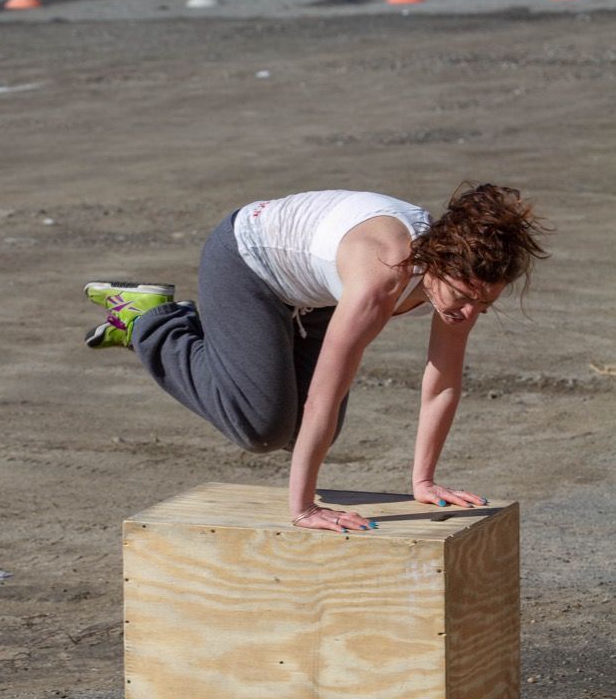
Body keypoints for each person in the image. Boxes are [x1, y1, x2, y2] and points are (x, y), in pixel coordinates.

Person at [83, 184, 548, 533]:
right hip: (246, 262)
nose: (469, 313)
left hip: (314, 292)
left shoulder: (460, 276)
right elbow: (323, 399)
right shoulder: (377, 281)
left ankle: (213, 340)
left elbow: (443, 382)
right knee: (263, 428)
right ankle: (152, 321)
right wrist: (304, 509)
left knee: (305, 436)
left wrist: (423, 483)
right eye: (465, 297)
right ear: (442, 261)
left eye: (484, 305)